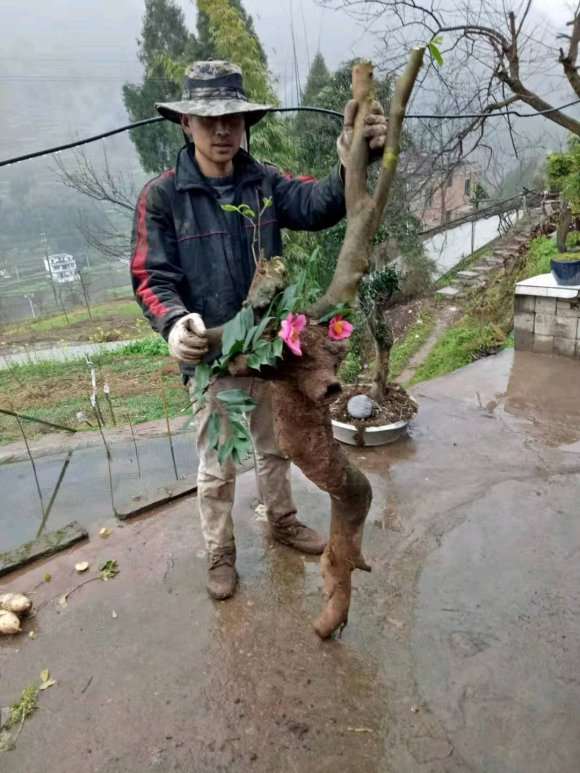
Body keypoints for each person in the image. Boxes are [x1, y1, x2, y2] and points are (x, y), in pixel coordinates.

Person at [130, 61, 387, 600]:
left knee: (276, 448)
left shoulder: (263, 181)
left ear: (245, 123)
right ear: (185, 124)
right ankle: (220, 553)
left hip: (269, 350)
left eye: (233, 120)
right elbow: (151, 275)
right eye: (209, 121)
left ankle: (283, 520)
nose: (223, 131)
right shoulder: (164, 196)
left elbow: (320, 206)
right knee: (219, 463)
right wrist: (174, 322)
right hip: (214, 356)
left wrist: (353, 162)